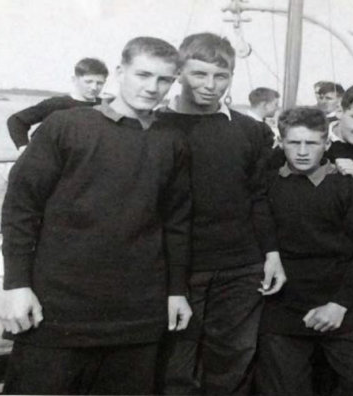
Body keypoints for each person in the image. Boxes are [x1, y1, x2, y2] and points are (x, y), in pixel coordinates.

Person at [0, 37, 192, 395]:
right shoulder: (65, 126)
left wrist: (176, 291)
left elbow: (177, 223)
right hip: (57, 310)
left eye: (164, 80)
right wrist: (16, 285)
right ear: (120, 72)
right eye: (143, 74)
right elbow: (20, 208)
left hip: (138, 313)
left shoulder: (173, 141)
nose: (152, 88)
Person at [155, 32, 285, 396]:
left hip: (241, 269)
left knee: (234, 362)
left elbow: (259, 197)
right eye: (199, 74)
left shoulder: (251, 131)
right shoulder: (155, 126)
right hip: (177, 269)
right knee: (176, 367)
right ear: (179, 71)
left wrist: (271, 253)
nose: (210, 85)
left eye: (220, 76)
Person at [256, 107, 353, 396]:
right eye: (294, 143)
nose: (302, 151)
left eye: (312, 143)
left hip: (346, 300)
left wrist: (340, 304)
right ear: (282, 142)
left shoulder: (346, 187)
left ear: (327, 144)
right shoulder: (268, 184)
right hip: (286, 303)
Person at [6, 57, 108, 151]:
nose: (94, 87)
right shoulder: (57, 104)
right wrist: (24, 148)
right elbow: (16, 120)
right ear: (75, 80)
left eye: (99, 83)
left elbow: (120, 129)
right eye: (88, 82)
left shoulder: (105, 106)